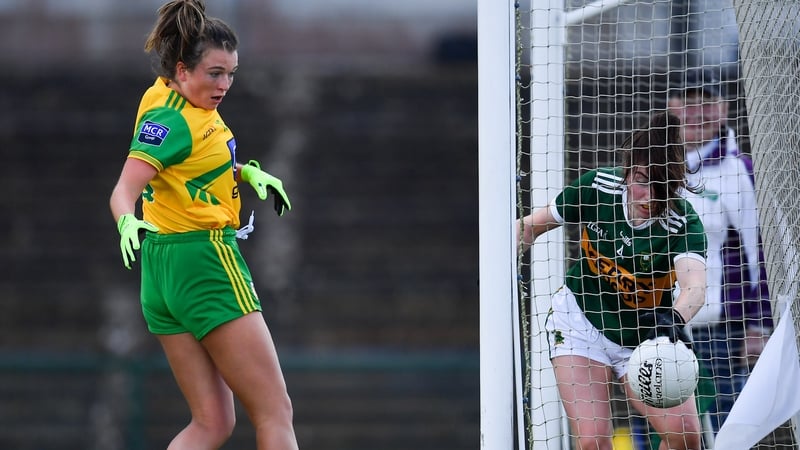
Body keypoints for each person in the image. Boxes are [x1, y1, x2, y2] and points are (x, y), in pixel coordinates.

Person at [108, 1, 299, 448]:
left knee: (211, 423)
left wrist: (247, 173)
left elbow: (187, 168)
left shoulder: (163, 94)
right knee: (275, 412)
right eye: (215, 73)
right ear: (183, 67)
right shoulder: (175, 119)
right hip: (204, 260)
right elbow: (123, 191)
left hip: (162, 271)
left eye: (231, 73)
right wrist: (126, 223)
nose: (224, 84)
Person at [517, 112, 707, 450]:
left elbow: (695, 287)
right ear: (629, 169)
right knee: (593, 443)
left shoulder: (683, 224)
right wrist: (490, 264)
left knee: (686, 439)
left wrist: (673, 319)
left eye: (660, 185)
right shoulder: (597, 188)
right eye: (641, 179)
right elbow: (528, 226)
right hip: (582, 324)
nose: (648, 195)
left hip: (643, 340)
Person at [667, 67, 772, 433]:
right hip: (656, 324)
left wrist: (759, 324)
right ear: (671, 107)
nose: (696, 112)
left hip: (721, 329)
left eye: (706, 102)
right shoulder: (653, 170)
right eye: (687, 102)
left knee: (729, 425)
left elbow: (759, 252)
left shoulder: (739, 170)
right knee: (660, 425)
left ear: (723, 109)